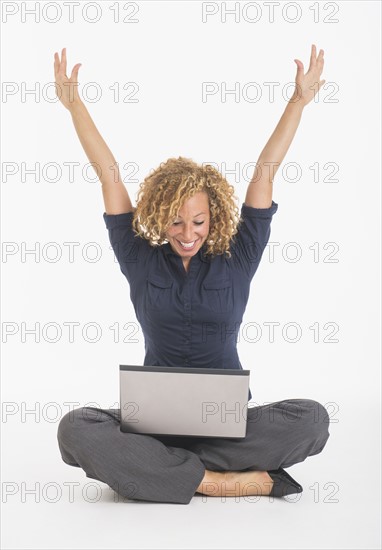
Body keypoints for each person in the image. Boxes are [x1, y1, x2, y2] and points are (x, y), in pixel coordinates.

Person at [54, 45, 330, 505]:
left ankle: (163, 474)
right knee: (75, 428)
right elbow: (109, 175)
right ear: (160, 216)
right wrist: (74, 104)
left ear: (213, 217)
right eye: (177, 222)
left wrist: (297, 101)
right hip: (153, 429)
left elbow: (265, 173)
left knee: (313, 418)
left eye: (198, 222)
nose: (187, 233)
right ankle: (219, 482)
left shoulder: (239, 257)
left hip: (226, 429)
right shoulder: (138, 258)